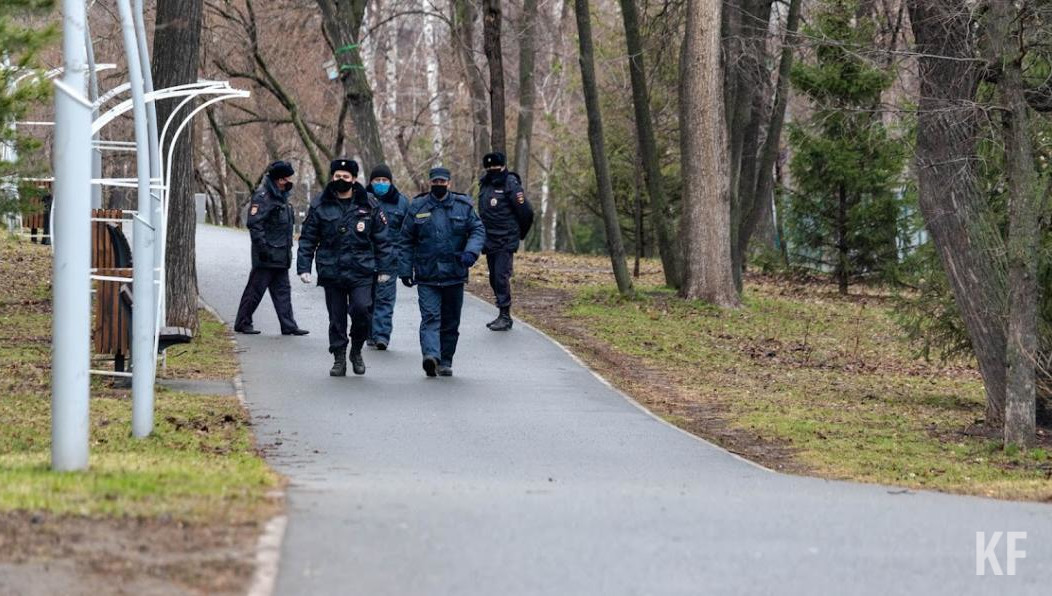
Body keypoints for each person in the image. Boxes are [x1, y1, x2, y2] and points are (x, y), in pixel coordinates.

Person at [297, 158, 394, 377]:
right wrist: (304, 267)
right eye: (337, 176)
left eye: (346, 176)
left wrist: (385, 268)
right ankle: (339, 356)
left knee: (362, 310)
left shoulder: (369, 204)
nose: (341, 179)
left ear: (354, 179)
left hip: (362, 270)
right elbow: (308, 237)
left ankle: (356, 350)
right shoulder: (320, 204)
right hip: (332, 270)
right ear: (332, 177)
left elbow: (382, 239)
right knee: (336, 318)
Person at [400, 167, 485, 377]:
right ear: (430, 183)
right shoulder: (418, 206)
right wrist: (405, 269)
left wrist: (471, 251)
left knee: (450, 321)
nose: (439, 185)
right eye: (435, 181)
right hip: (427, 274)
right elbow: (406, 239)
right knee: (430, 317)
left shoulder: (463, 206)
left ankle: (445, 360)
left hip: (454, 273)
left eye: (442, 181)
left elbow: (477, 229)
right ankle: (431, 356)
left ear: (449, 183)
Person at [234, 160, 308, 336]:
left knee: (283, 292)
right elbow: (255, 224)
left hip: (281, 255)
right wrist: (263, 250)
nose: (290, 181)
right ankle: (242, 322)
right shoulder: (263, 197)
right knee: (255, 291)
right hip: (267, 255)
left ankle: (289, 325)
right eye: (287, 178)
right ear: (279, 180)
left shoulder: (281, 197)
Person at [476, 151, 533, 331]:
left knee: (501, 276)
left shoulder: (511, 184)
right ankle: (501, 311)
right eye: (489, 167)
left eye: (496, 167)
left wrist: (519, 234)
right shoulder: (485, 184)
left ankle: (505, 316)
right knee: (494, 277)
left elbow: (526, 213)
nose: (492, 170)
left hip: (505, 239)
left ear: (503, 166)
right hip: (489, 239)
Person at [365, 164, 410, 351]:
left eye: (385, 180)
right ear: (371, 182)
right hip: (365, 259)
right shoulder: (361, 199)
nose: (381, 183)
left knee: (385, 299)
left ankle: (381, 336)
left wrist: (404, 259)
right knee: (366, 300)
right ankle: (369, 333)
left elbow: (408, 233)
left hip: (390, 260)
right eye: (377, 180)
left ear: (391, 182)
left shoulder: (402, 203)